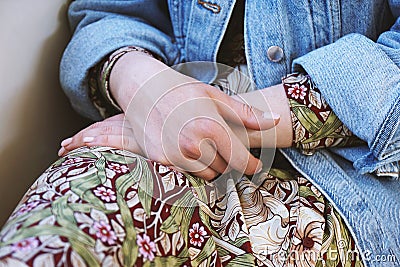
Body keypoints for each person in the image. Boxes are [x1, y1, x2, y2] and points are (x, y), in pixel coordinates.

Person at [0, 0, 399, 266]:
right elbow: (113, 12)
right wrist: (146, 89)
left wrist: (206, 122)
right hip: (160, 122)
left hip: (344, 179)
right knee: (67, 226)